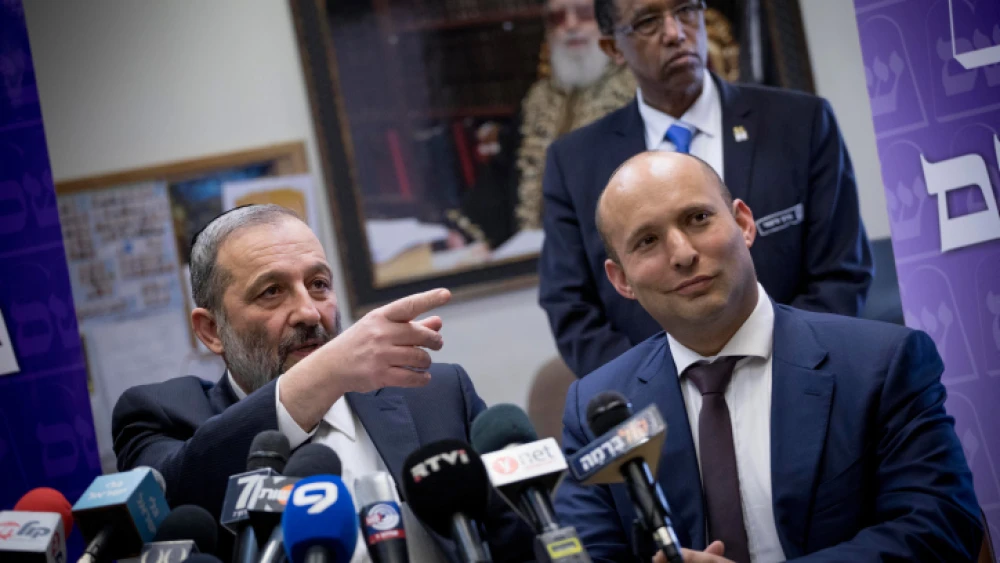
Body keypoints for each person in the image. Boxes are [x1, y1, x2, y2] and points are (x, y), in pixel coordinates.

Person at [553, 152, 982, 562]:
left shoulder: (881, 365)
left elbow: (939, 527)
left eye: (698, 218)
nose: (682, 254)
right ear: (621, 280)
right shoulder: (599, 413)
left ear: (743, 223)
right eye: (647, 241)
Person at [112, 205, 534, 562]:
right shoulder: (161, 415)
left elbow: (520, 543)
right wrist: (323, 376)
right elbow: (162, 509)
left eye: (318, 285)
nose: (310, 313)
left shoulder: (435, 394)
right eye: (271, 291)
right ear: (211, 330)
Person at [538, 0, 873, 378]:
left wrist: (776, 374)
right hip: (660, 397)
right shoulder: (576, 162)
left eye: (686, 10)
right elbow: (570, 307)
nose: (675, 33)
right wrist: (658, 388)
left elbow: (840, 273)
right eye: (648, 22)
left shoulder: (799, 123)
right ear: (613, 47)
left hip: (799, 377)